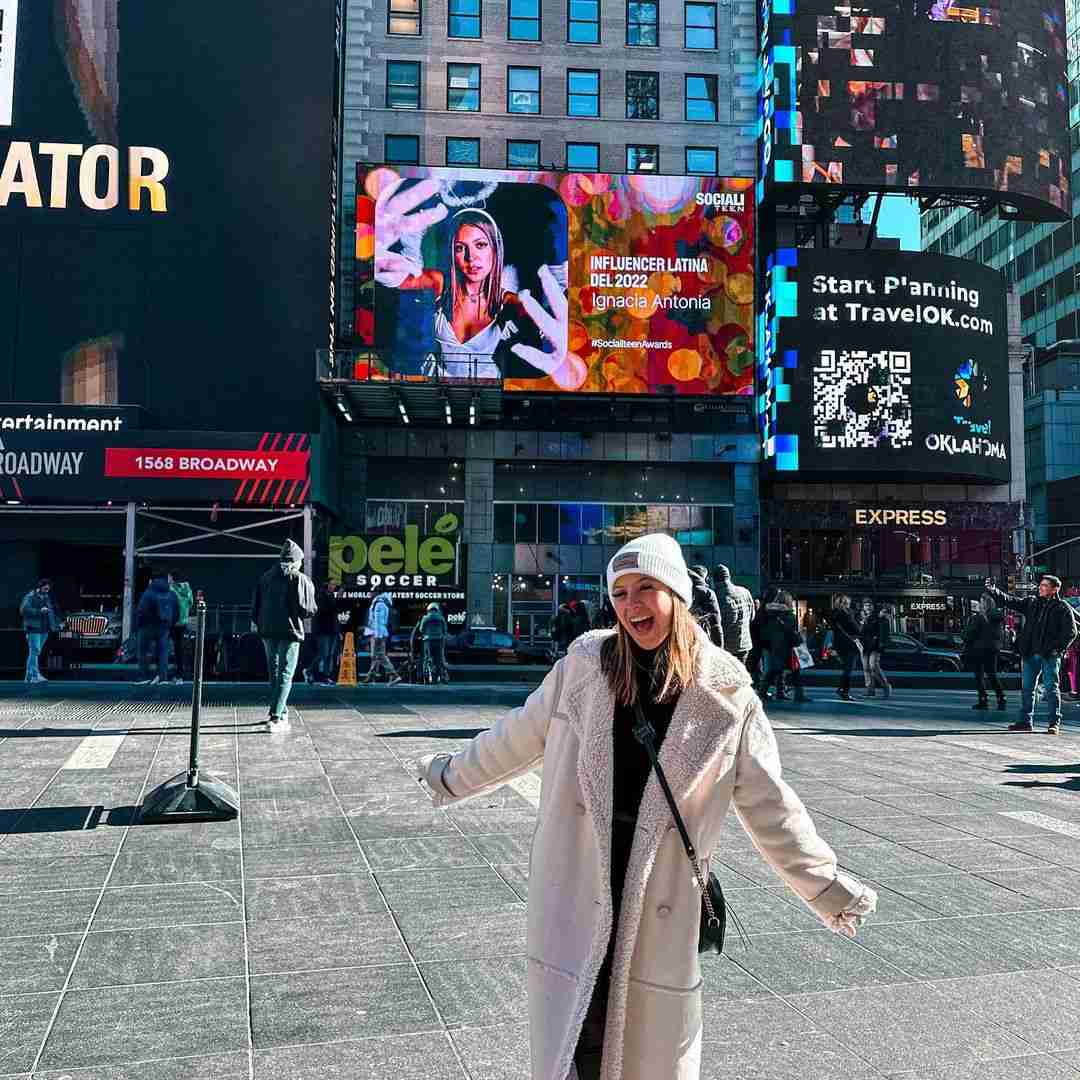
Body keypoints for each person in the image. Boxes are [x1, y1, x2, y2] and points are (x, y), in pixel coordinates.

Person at [418, 533, 876, 1080]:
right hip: (579, 880)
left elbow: (770, 803)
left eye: (646, 588)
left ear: (677, 595)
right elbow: (516, 738)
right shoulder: (583, 669)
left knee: (649, 1054)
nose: (631, 605)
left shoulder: (726, 695)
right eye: (620, 592)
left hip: (658, 896)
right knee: (577, 1042)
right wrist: (449, 776)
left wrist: (823, 886)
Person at [375, 180, 569, 381]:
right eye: (461, 247)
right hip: (436, 385)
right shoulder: (440, 283)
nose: (471, 257)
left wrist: (562, 346)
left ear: (495, 250)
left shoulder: (509, 302)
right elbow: (400, 277)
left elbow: (543, 319)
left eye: (481, 245)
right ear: (453, 253)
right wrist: (374, 255)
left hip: (488, 389)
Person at [985, 574, 1078, 734]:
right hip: (1030, 654)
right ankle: (1025, 722)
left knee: (1051, 689)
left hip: (1049, 656)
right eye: (1041, 585)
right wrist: (993, 591)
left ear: (1055, 589)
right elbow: (1011, 600)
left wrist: (1057, 649)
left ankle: (1053, 723)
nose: (1041, 588)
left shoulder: (1062, 608)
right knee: (1027, 689)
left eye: (1045, 585)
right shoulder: (1032, 603)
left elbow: (1071, 632)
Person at [251, 540, 317, 731]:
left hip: (267, 631)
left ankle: (281, 710)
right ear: (296, 561)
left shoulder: (265, 577)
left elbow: (254, 608)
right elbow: (308, 610)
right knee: (286, 673)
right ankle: (276, 717)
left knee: (275, 672)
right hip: (290, 631)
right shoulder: (299, 579)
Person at [759, 590, 811, 704]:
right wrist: (799, 640)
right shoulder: (789, 615)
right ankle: (799, 695)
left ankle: (764, 693)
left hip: (775, 647)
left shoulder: (770, 613)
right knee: (795, 671)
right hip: (787, 648)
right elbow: (791, 633)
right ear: (788, 601)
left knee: (775, 671)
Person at [963, 593, 1007, 711]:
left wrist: (965, 635)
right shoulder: (998, 618)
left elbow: (969, 635)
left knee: (979, 676)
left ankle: (983, 700)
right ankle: (1001, 698)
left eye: (980, 602)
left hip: (978, 650)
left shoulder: (979, 617)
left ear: (984, 604)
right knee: (992, 674)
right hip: (992, 650)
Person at [136, 571, 180, 686]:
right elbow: (176, 612)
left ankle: (144, 677)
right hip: (164, 627)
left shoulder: (148, 593)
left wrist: (140, 624)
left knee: (143, 651)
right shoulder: (171, 594)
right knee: (163, 652)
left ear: (152, 581)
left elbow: (141, 610)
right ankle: (162, 677)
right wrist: (169, 624)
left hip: (147, 627)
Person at [713, 563, 754, 664]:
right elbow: (752, 616)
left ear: (715, 580)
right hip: (744, 644)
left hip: (726, 647)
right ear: (729, 576)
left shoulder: (716, 596)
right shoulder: (745, 592)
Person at [20, 579, 57, 684]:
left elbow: (50, 611)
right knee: (35, 650)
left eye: (48, 588)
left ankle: (31, 675)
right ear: (40, 587)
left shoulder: (46, 596)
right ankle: (32, 675)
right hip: (34, 628)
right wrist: (39, 611)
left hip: (44, 629)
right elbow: (23, 610)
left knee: (36, 652)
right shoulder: (30, 596)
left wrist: (55, 624)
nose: (47, 590)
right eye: (45, 588)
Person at [361, 590, 402, 686]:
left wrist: (377, 636)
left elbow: (378, 622)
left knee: (380, 656)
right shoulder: (381, 603)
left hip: (378, 634)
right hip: (379, 633)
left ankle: (394, 675)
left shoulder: (379, 604)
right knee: (375, 656)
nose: (369, 594)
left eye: (371, 592)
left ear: (376, 593)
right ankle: (371, 676)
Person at [308, 581, 342, 685]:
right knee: (324, 653)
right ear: (326, 585)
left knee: (329, 655)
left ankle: (326, 676)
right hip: (323, 630)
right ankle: (309, 671)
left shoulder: (331, 596)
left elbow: (335, 612)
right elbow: (326, 611)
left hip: (332, 629)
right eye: (332, 584)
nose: (334, 586)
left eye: (335, 585)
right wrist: (338, 599)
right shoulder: (321, 596)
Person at [830, 594, 862, 701]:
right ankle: (844, 691)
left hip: (839, 644)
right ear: (844, 603)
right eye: (847, 603)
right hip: (849, 644)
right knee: (849, 668)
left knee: (847, 667)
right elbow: (856, 629)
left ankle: (842, 689)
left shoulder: (834, 614)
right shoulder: (846, 614)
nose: (849, 605)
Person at [860, 602, 892, 699]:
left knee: (873, 666)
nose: (868, 607)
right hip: (864, 647)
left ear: (872, 607)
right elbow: (859, 631)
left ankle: (886, 687)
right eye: (866, 605)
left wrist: (882, 616)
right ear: (863, 607)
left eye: (870, 605)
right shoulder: (861, 618)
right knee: (866, 669)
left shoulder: (877, 617)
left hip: (875, 646)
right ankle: (870, 690)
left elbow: (882, 629)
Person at [687, 565, 724, 649]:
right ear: (704, 577)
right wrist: (720, 647)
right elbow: (715, 622)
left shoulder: (682, 590)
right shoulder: (708, 593)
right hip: (703, 640)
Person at [169, 570, 194, 685]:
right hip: (184, 622)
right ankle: (181, 674)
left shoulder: (171, 590)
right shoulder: (187, 589)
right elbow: (191, 603)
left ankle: (174, 675)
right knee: (181, 649)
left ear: (172, 578)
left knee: (171, 649)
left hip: (173, 623)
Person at [419, 601, 449, 683]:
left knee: (427, 658)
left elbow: (421, 629)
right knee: (438, 658)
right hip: (439, 640)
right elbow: (445, 629)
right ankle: (438, 676)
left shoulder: (425, 618)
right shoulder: (441, 618)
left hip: (428, 641)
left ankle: (426, 676)